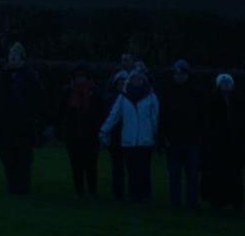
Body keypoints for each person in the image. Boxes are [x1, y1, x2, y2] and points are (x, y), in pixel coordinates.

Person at [0, 42, 44, 195]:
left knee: (23, 156)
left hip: (23, 123)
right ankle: (13, 184)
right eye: (10, 56)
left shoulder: (30, 78)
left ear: (22, 58)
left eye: (15, 56)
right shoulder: (0, 78)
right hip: (5, 123)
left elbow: (38, 101)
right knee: (7, 155)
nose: (11, 58)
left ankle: (22, 185)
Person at [99, 69, 159, 202]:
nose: (137, 81)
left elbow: (155, 118)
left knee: (144, 170)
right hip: (129, 141)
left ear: (144, 81)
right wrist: (104, 130)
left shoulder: (151, 96)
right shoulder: (123, 97)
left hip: (145, 140)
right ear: (130, 81)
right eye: (134, 78)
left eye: (140, 79)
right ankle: (134, 195)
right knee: (132, 170)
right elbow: (114, 115)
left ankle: (145, 195)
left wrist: (154, 134)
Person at [159, 59, 201, 209]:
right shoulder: (167, 92)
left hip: (192, 140)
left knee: (192, 175)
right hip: (173, 140)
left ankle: (192, 202)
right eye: (176, 73)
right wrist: (163, 138)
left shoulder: (196, 92)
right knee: (174, 175)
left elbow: (201, 117)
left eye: (182, 73)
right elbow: (162, 117)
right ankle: (175, 202)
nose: (179, 76)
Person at [200, 74, 243, 210]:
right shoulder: (212, 100)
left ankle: (235, 201)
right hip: (217, 145)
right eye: (223, 83)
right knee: (217, 174)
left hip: (234, 145)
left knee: (234, 174)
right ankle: (217, 201)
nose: (226, 85)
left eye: (228, 83)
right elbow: (208, 122)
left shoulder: (238, 101)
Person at [59, 62, 102, 197]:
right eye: (78, 76)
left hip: (90, 134)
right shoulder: (68, 93)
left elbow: (99, 112)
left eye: (82, 76)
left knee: (90, 164)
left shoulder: (94, 93)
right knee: (76, 164)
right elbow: (60, 111)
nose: (80, 79)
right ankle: (80, 190)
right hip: (73, 134)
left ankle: (92, 190)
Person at [105, 70, 129, 200]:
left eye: (124, 82)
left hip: (129, 136)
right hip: (115, 137)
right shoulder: (110, 99)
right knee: (117, 166)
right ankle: (117, 191)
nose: (122, 85)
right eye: (119, 83)